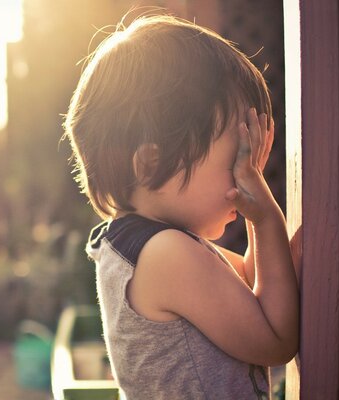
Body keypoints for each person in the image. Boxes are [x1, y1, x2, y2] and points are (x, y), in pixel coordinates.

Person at [62, 14, 299, 400]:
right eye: (234, 162)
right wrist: (266, 216)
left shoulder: (146, 247)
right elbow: (275, 339)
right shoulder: (166, 255)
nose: (244, 175)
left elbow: (258, 287)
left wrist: (258, 211)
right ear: (151, 163)